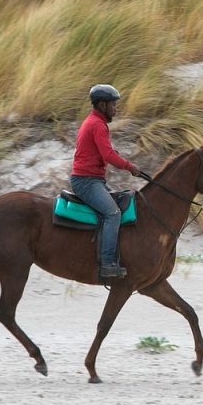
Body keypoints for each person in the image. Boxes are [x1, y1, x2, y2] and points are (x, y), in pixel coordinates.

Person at [70, 84, 142, 279]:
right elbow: (107, 154)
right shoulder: (97, 124)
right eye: (113, 104)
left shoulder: (93, 122)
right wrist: (130, 167)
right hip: (86, 181)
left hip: (93, 180)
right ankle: (107, 264)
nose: (115, 109)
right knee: (113, 213)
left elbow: (101, 152)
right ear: (102, 105)